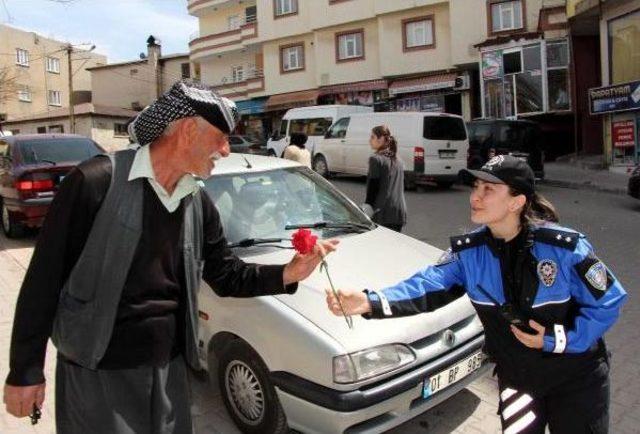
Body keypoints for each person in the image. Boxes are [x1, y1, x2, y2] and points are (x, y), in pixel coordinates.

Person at [3, 80, 338, 433]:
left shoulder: (197, 201)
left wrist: (288, 273)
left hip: (170, 371)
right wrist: (26, 371)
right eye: (221, 138)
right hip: (97, 375)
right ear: (189, 130)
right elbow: (43, 281)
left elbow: (226, 274)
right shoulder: (95, 183)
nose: (226, 150)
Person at [327, 155, 627, 434]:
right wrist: (370, 301)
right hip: (519, 381)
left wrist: (555, 339)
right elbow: (427, 284)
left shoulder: (563, 249)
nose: (475, 196)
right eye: (475, 186)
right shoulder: (469, 253)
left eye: (488, 189)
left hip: (577, 379)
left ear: (516, 202)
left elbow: (609, 300)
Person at [365, 125, 407, 232]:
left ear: (381, 139)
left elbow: (373, 188)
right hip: (399, 213)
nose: (370, 140)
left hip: (382, 213)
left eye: (372, 137)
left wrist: (367, 209)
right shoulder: (399, 161)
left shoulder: (375, 159)